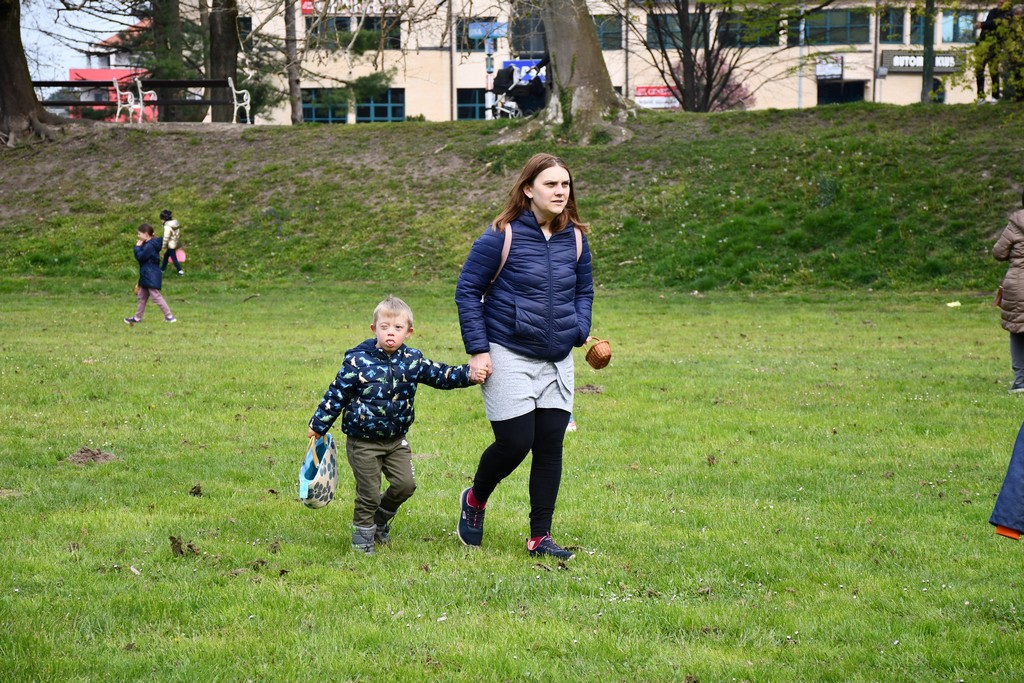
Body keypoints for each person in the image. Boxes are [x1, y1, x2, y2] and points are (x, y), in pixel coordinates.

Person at [454, 153, 594, 561]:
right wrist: (479, 350)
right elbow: (467, 291)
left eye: (565, 185)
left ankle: (540, 536)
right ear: (528, 189)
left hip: (556, 358)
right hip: (508, 351)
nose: (560, 191)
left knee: (550, 445)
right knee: (516, 442)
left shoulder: (577, 238)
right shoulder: (502, 235)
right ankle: (476, 498)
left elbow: (584, 291)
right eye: (551, 184)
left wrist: (578, 329)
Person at [307, 295, 483, 554]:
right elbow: (336, 394)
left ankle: (379, 521)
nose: (391, 333)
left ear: (408, 332)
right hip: (363, 442)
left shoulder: (412, 361)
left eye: (398, 328)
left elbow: (440, 375)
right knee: (368, 493)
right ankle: (362, 540)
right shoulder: (357, 361)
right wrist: (318, 424)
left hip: (395, 440)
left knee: (405, 485)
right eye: (384, 327)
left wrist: (468, 374)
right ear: (374, 329)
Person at [992, 190, 1024, 392]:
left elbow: (998, 252)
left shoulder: (1016, 223)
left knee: (1018, 332)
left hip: (1018, 285)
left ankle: (1021, 381)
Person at [124, 223, 176, 325]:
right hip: (147, 274)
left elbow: (141, 257)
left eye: (139, 234)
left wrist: (137, 247)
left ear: (146, 234)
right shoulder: (149, 244)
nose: (138, 236)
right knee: (141, 297)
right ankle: (137, 318)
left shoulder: (150, 246)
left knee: (156, 296)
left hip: (150, 274)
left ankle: (169, 316)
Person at [975, 1, 1012, 100]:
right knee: (979, 70)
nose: (1000, 1)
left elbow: (996, 23)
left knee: (994, 71)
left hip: (995, 45)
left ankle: (995, 97)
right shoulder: (992, 12)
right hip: (983, 44)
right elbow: (989, 26)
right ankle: (980, 97)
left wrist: (982, 24)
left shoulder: (1008, 14)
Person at [159, 209, 184, 275]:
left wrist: (163, 246)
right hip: (176, 242)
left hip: (171, 244)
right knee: (166, 256)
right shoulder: (175, 223)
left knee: (173, 258)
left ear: (164, 219)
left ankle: (180, 271)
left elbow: (166, 237)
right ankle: (162, 269)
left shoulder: (167, 226)